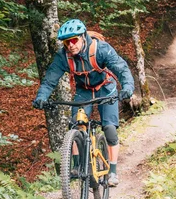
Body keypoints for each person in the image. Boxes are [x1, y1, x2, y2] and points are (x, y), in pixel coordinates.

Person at [32, 19, 135, 187]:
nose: (71, 45)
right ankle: (78, 165)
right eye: (67, 42)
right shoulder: (63, 57)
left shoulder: (101, 49)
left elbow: (121, 69)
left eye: (74, 40)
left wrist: (128, 87)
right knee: (76, 124)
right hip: (84, 90)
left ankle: (113, 172)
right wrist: (41, 97)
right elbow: (50, 81)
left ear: (82, 37)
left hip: (105, 88)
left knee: (109, 128)